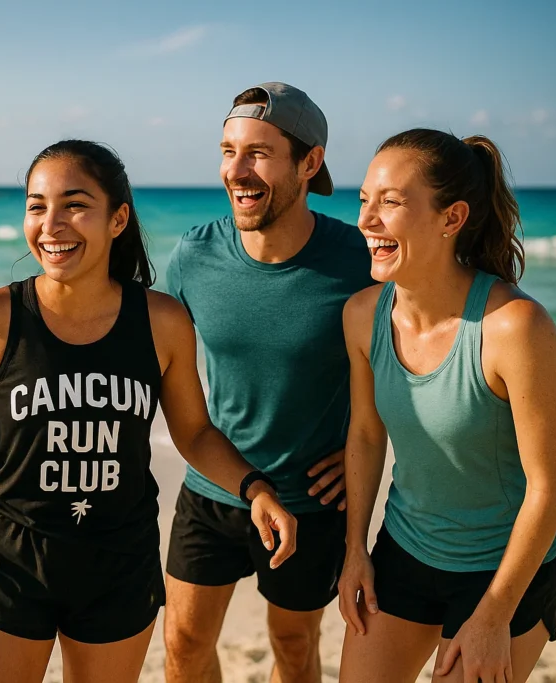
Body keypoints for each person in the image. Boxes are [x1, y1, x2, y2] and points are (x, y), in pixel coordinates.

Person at [0, 139, 298, 683]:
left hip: (118, 561)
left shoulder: (161, 321)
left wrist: (255, 489)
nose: (51, 224)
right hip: (12, 558)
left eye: (75, 205)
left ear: (117, 219)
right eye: (37, 206)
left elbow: (195, 433)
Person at [162, 82, 375, 683]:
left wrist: (363, 446)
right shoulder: (195, 255)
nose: (237, 170)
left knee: (292, 644)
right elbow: (144, 353)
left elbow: (414, 359)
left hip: (311, 499)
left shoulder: (358, 260)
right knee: (183, 645)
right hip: (213, 487)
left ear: (310, 163)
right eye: (228, 151)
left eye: (258, 152)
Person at [338, 129, 556, 682]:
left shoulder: (514, 326)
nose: (367, 219)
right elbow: (367, 436)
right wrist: (355, 550)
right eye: (365, 199)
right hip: (405, 551)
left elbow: (550, 486)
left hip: (502, 571)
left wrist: (493, 614)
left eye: (390, 202)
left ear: (451, 217)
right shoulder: (363, 315)